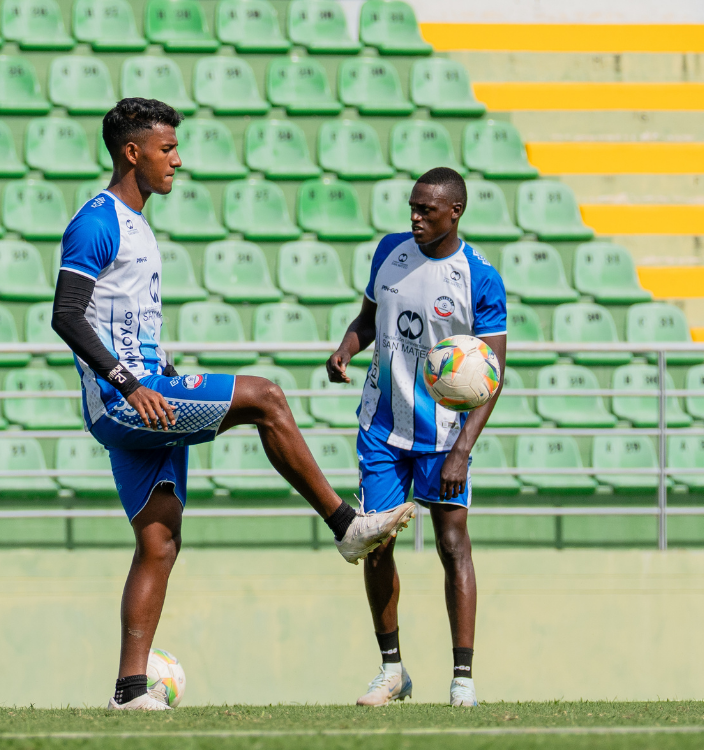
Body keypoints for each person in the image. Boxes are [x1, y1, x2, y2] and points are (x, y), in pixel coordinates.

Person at [51, 98, 417, 710]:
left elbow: (123, 316)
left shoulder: (138, 223)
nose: (178, 159)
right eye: (167, 149)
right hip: (126, 401)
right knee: (266, 397)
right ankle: (344, 525)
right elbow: (66, 314)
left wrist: (154, 370)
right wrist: (130, 383)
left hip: (143, 393)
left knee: (159, 542)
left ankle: (129, 690)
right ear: (131, 152)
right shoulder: (97, 220)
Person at [326, 167, 507, 708]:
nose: (415, 217)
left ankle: (463, 680)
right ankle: (392, 672)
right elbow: (367, 318)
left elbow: (493, 374)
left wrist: (462, 450)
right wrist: (346, 349)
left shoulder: (479, 277)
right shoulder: (389, 252)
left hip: (443, 436)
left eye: (427, 210)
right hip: (382, 427)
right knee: (375, 544)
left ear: (455, 212)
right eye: (412, 207)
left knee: (454, 548)